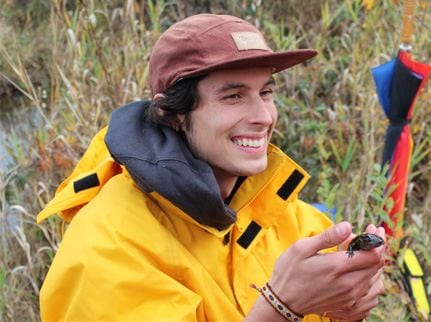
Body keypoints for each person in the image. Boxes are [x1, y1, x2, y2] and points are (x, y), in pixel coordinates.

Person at [36, 14, 386, 321]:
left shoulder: (282, 215)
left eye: (265, 92)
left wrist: (345, 306)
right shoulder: (106, 247)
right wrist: (282, 307)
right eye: (233, 96)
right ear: (172, 114)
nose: (263, 117)